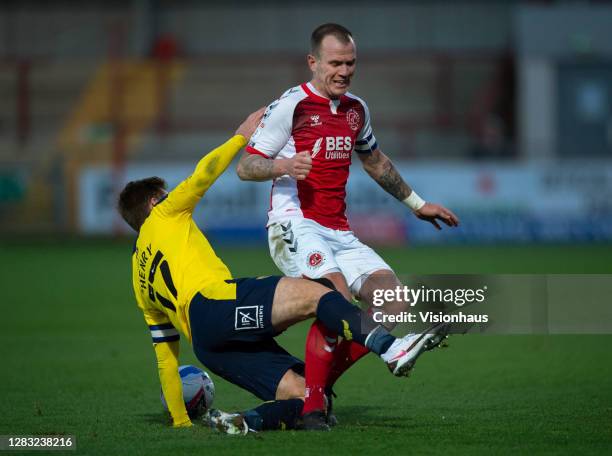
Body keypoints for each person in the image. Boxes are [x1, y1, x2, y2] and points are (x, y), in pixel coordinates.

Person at [118, 108, 448, 433]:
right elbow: (204, 174)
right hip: (215, 303)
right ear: (153, 202)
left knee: (309, 397)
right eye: (163, 194)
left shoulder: (137, 273)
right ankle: (390, 347)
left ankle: (245, 421)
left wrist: (179, 421)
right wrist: (240, 137)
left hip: (207, 346)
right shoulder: (164, 214)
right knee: (320, 295)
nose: (168, 196)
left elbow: (165, 356)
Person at [236, 23, 460, 420]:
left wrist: (416, 203)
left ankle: (311, 390)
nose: (343, 71)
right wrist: (283, 165)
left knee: (392, 304)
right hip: (294, 223)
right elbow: (246, 166)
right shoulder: (292, 105)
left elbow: (374, 160)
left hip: (339, 230)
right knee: (335, 301)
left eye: (350, 63)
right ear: (313, 62)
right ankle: (314, 408)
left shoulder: (356, 109)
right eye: (335, 63)